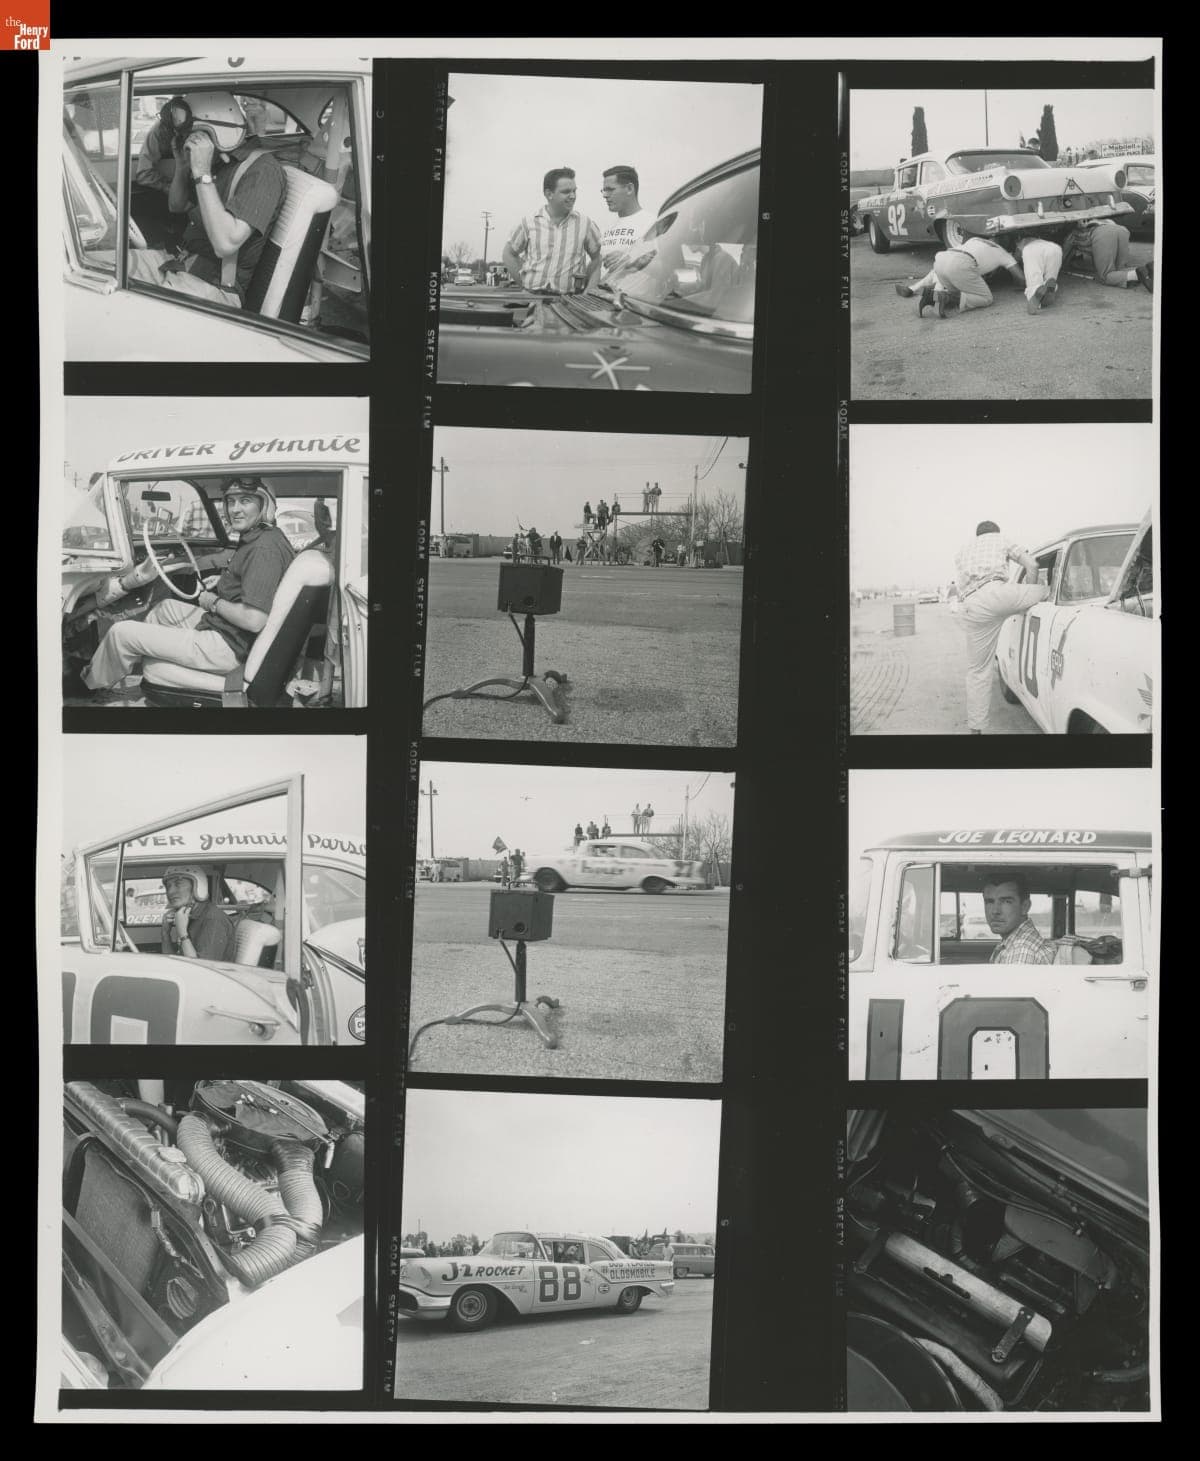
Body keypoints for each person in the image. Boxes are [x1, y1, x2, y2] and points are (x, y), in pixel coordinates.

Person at [83, 478, 295, 694]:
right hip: (229, 633)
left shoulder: (263, 550)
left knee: (121, 632)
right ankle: (140, 664)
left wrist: (214, 602)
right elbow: (254, 581)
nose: (234, 510)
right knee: (165, 608)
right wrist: (224, 582)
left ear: (265, 505)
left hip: (227, 646)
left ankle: (89, 687)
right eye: (231, 502)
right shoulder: (263, 538)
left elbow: (254, 620)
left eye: (245, 501)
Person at [126, 92, 286, 311]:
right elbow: (177, 206)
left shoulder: (263, 170)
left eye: (191, 136)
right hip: (182, 264)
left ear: (216, 131)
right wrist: (183, 167)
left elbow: (226, 244)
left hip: (215, 288)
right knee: (103, 266)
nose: (185, 141)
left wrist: (201, 172)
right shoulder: (218, 163)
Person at [953, 521, 1049, 734]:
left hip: (971, 606)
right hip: (999, 595)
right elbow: (1031, 565)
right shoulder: (1000, 539)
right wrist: (1029, 590)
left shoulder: (962, 551)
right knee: (1045, 590)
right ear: (995, 532)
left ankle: (976, 730)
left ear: (977, 535)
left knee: (978, 671)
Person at [502, 167, 601, 295]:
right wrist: (524, 284)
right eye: (566, 192)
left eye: (574, 191)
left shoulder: (585, 224)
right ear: (549, 194)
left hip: (569, 301)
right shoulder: (528, 222)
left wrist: (588, 292)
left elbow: (597, 259)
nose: (573, 196)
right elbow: (508, 254)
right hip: (533, 299)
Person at [895, 235, 1024, 317]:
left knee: (956, 287)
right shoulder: (1003, 253)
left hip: (941, 259)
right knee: (986, 298)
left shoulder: (975, 239)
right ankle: (945, 297)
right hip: (961, 264)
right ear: (1007, 245)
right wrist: (1023, 285)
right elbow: (1021, 278)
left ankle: (931, 296)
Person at [130, 95, 192, 247]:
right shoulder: (159, 131)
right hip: (171, 192)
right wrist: (172, 188)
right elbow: (143, 173)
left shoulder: (206, 128)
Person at [160, 866, 236, 961]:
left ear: (198, 886)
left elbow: (202, 970)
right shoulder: (190, 916)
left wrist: (183, 933)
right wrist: (165, 933)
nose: (170, 892)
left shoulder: (213, 919)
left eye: (178, 884)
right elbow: (172, 962)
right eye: (168, 886)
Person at [1062, 219, 1153, 292]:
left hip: (1102, 234)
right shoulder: (1092, 222)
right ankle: (1149, 270)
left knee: (1106, 276)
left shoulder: (1071, 235)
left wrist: (1060, 267)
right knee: (1119, 270)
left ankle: (1138, 274)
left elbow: (1063, 255)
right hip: (1120, 229)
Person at [983, 876, 1057, 964]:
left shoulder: (1021, 952)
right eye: (989, 902)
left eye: (1006, 901)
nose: (995, 911)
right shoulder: (1012, 944)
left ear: (1025, 907)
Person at [598, 165, 652, 279]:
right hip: (602, 295)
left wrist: (629, 260)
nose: (605, 195)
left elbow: (669, 267)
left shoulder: (651, 223)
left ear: (629, 189)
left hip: (632, 297)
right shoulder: (607, 227)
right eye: (604, 190)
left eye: (610, 190)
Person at [1012, 234, 1064, 314]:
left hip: (1032, 251)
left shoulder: (1022, 241)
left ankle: (1035, 296)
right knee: (1049, 279)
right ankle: (1049, 291)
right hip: (1055, 249)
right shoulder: (1040, 239)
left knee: (1034, 283)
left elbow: (1016, 258)